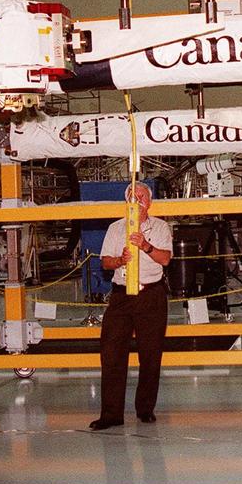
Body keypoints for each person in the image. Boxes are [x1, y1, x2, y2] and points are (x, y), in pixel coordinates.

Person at [90, 182, 173, 430]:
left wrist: (145, 245)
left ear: (150, 201)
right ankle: (111, 414)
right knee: (112, 354)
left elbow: (166, 259)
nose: (137, 201)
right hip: (121, 296)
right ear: (126, 202)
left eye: (141, 196)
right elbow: (105, 262)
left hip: (151, 295)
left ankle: (145, 409)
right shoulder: (116, 229)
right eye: (132, 197)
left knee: (150, 354)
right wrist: (120, 260)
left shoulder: (160, 227)